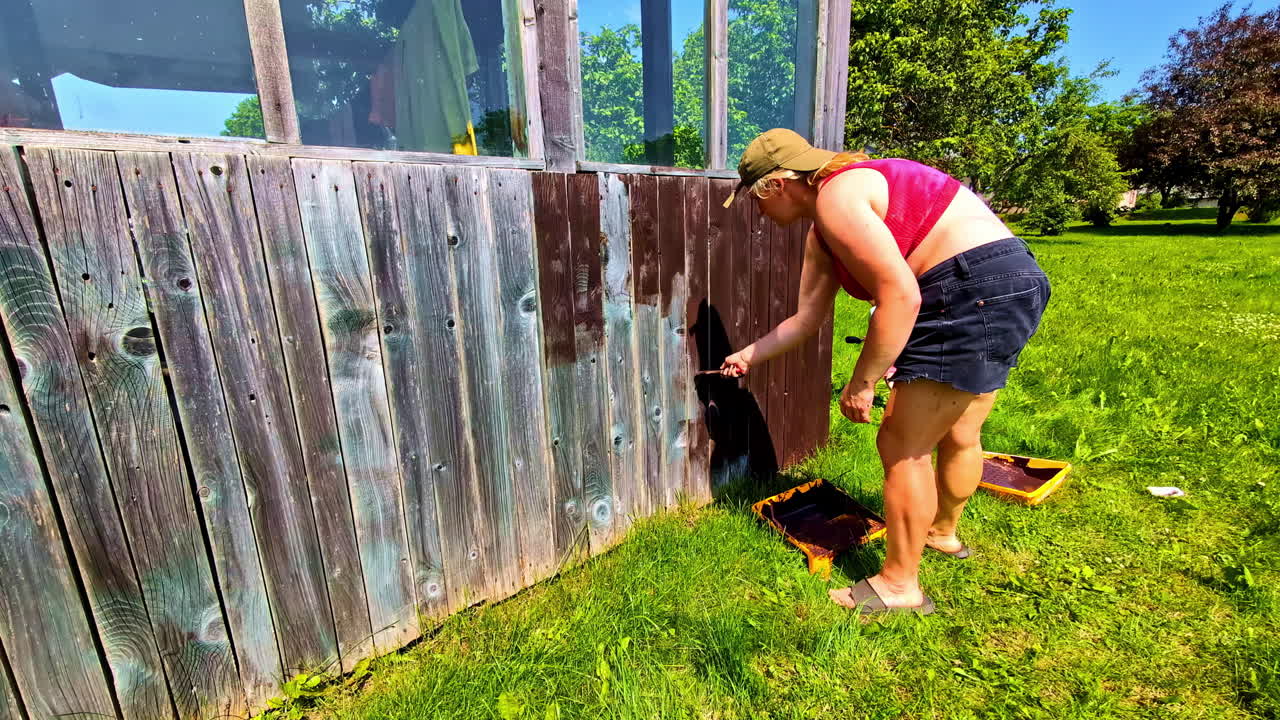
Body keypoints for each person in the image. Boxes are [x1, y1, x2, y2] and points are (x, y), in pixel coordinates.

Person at [719, 128, 1050, 615]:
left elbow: (901, 295)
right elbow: (807, 318)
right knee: (960, 429)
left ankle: (899, 585)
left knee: (901, 444)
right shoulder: (836, 214)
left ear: (779, 184)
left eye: (756, 197)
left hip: (965, 291)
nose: (758, 210)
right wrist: (749, 355)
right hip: (1012, 282)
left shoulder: (837, 196)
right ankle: (942, 533)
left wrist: (862, 383)